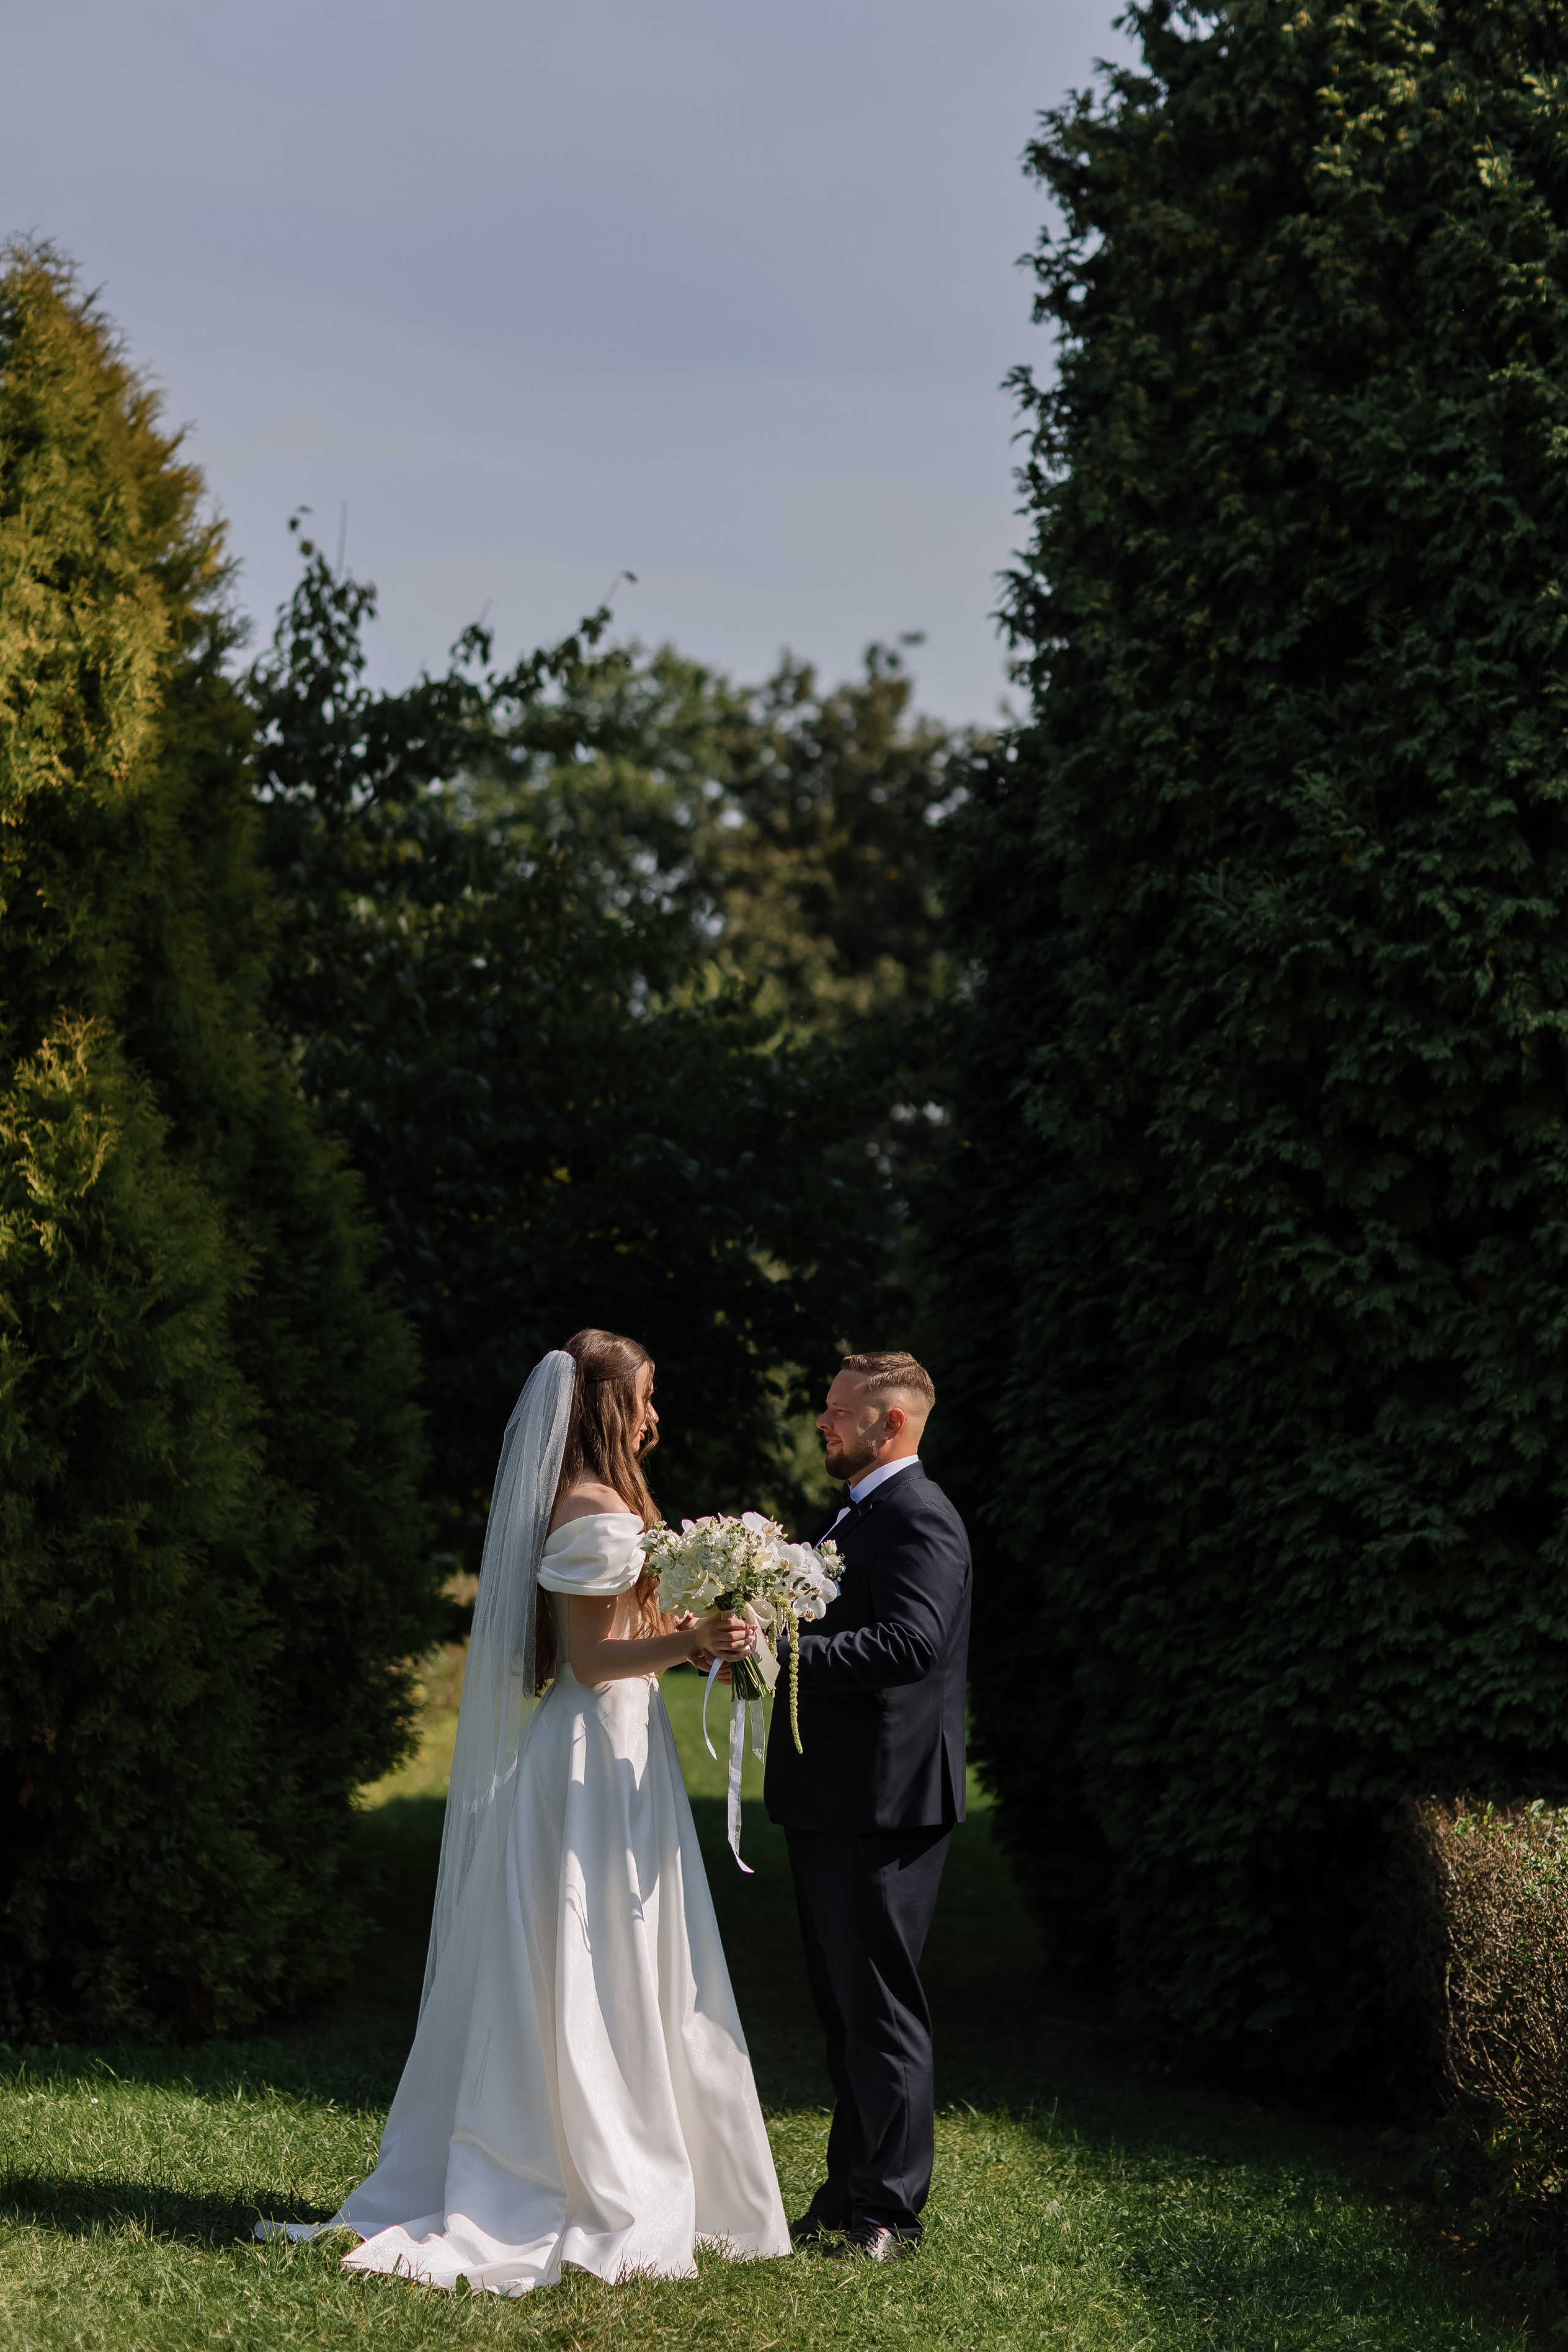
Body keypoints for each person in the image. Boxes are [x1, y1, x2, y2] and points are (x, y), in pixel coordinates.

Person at [262, 1330, 791, 2294]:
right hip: (589, 1756)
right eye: (644, 1397)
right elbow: (591, 1662)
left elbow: (628, 1633)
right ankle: (571, 2166)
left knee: (633, 1956)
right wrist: (685, 1644)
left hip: (626, 1753)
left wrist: (703, 1636)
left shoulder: (614, 1505)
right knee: (591, 1959)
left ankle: (650, 2160)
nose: (655, 1414)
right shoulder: (588, 1510)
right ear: (603, 1408)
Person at [762, 1350, 971, 2262]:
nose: (821, 1422)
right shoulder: (857, 1513)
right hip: (833, 1795)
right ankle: (848, 2195)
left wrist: (784, 1650)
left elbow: (911, 1644)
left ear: (890, 1422)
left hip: (884, 1803)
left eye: (836, 1409)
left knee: (881, 2013)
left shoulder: (921, 1517)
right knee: (847, 2011)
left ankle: (890, 2215)